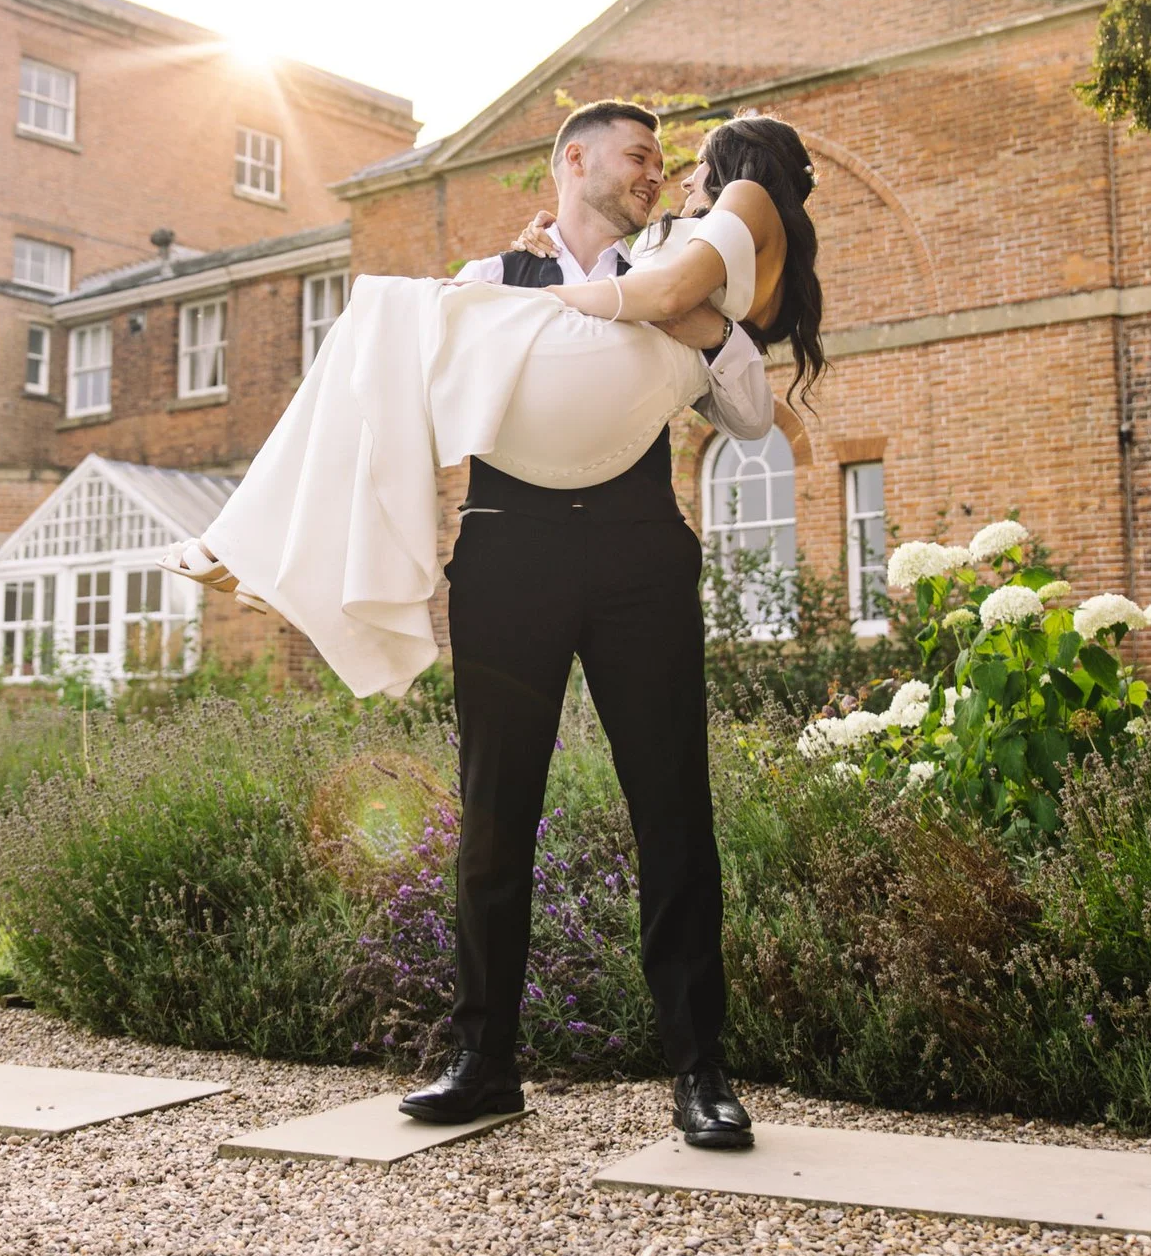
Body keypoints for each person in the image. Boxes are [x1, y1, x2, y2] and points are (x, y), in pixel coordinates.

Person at [165, 101, 829, 1149]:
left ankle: (701, 1071)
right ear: (575, 159)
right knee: (492, 815)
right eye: (639, 155)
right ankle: (483, 1062)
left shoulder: (676, 266)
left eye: (663, 160)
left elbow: (749, 413)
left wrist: (704, 327)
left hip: (639, 557)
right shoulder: (485, 280)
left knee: (673, 812)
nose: (655, 174)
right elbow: (388, 406)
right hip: (508, 556)